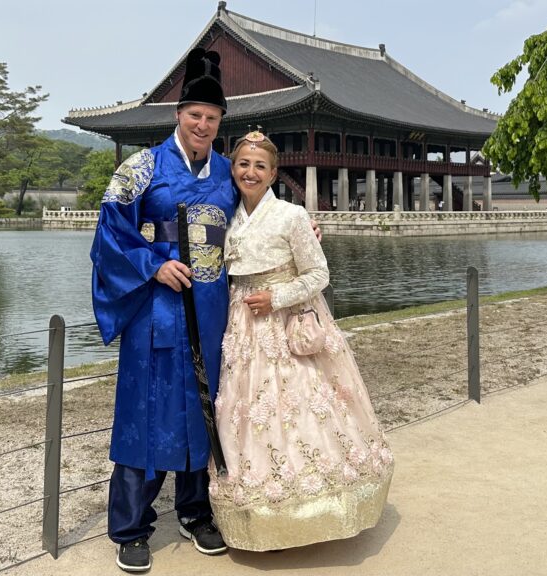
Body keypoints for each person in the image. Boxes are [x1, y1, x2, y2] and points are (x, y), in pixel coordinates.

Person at [209, 131, 394, 551]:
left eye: (260, 166)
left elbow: (318, 274)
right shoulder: (227, 216)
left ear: (274, 173)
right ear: (232, 168)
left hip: (282, 323)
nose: (250, 172)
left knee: (299, 409)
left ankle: (314, 505)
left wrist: (277, 297)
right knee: (245, 411)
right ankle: (252, 507)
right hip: (241, 325)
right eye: (243, 164)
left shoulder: (292, 216)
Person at [91, 47, 234, 573]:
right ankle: (132, 526)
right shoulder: (141, 166)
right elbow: (109, 233)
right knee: (147, 413)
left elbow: (258, 216)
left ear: (221, 123)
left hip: (213, 309)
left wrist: (299, 230)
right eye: (194, 115)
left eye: (212, 118)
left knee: (204, 408)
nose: (202, 124)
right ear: (178, 115)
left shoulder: (226, 170)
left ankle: (197, 513)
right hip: (158, 310)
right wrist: (152, 264)